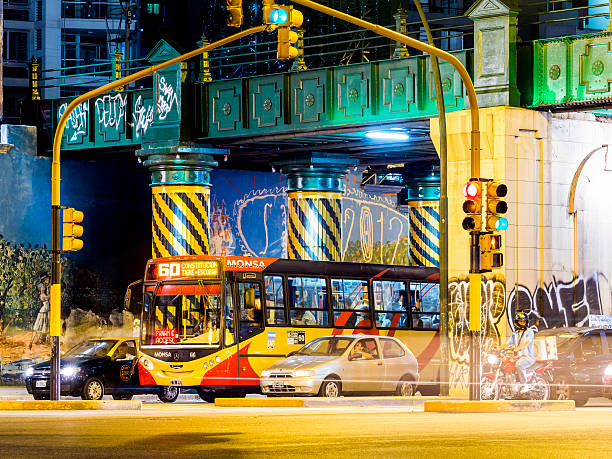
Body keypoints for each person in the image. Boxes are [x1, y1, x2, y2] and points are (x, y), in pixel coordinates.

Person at [503, 311, 536, 393]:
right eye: (521, 321)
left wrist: (518, 348)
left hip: (528, 357)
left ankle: (524, 385)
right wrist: (497, 348)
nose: (522, 323)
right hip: (518, 357)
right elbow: (507, 343)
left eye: (524, 321)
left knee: (519, 365)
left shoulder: (529, 332)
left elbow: (527, 343)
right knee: (507, 363)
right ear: (517, 322)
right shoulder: (515, 334)